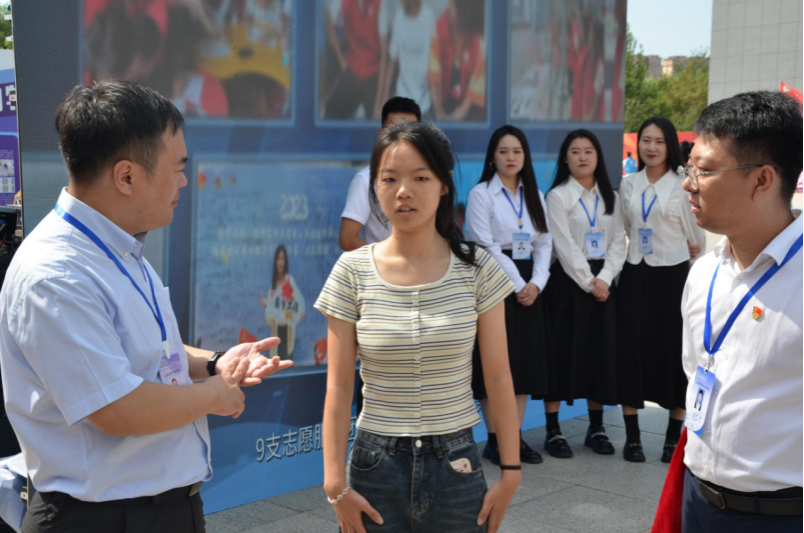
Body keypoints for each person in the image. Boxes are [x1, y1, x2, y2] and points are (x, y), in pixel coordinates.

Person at [0, 80, 293, 533]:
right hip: (101, 519)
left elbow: (148, 352)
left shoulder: (118, 248)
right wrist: (215, 395)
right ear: (127, 177)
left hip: (161, 511)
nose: (183, 182)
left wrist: (214, 363)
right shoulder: (56, 275)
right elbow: (116, 408)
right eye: (176, 168)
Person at [316, 122, 520, 533]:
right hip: (375, 463)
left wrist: (510, 472)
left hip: (456, 461)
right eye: (389, 179)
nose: (403, 191)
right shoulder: (351, 271)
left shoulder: (477, 268)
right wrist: (334, 483)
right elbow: (338, 385)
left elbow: (498, 376)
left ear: (444, 184)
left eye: (420, 178)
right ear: (375, 186)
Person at [679, 91, 803, 532]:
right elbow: (695, 370)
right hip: (697, 500)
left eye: (705, 170)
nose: (689, 183)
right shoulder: (703, 272)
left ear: (762, 180)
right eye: (689, 168)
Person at [617, 117, 706, 464]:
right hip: (635, 273)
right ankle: (632, 438)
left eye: (659, 141)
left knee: (673, 352)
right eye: (645, 140)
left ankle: (672, 439)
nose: (651, 147)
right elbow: (624, 227)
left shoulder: (682, 185)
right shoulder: (628, 184)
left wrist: (688, 253)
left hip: (673, 277)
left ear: (669, 145)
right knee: (631, 351)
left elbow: (696, 237)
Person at [465, 125, 553, 466]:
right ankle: (495, 440)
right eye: (503, 151)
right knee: (495, 363)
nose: (511, 157)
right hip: (494, 281)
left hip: (530, 283)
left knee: (523, 364)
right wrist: (518, 284)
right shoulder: (481, 194)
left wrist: (537, 283)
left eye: (517, 151)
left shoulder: (535, 194)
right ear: (492, 157)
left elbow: (544, 243)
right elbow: (484, 245)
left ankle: (513, 438)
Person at [542, 129, 626, 459]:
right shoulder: (558, 196)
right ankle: (553, 431)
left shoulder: (612, 197)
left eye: (588, 151)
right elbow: (563, 245)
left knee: (599, 355)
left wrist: (604, 278)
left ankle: (597, 428)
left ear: (597, 157)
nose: (582, 157)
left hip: (603, 282)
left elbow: (619, 242)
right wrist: (590, 282)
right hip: (568, 284)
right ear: (565, 158)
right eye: (575, 151)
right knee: (561, 354)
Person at [339, 97, 421, 252]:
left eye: (411, 132)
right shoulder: (366, 180)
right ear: (382, 135)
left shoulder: (429, 179)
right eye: (395, 131)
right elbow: (347, 239)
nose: (403, 139)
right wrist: (387, 261)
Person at [429, 0, 487, 122]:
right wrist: (439, 114)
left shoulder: (478, 40)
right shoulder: (439, 28)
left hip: (469, 110)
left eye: (452, 4)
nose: (448, 6)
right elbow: (434, 78)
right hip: (444, 103)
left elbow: (473, 93)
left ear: (463, 11)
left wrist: (455, 119)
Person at [324, 0, 383, 120]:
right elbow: (329, 20)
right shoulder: (344, 2)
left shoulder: (381, 4)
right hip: (353, 67)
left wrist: (381, 98)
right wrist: (341, 60)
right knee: (330, 113)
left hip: (375, 71)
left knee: (377, 120)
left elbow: (387, 52)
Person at [381, 0, 436, 118]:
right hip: (402, 102)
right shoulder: (399, 15)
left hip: (424, 104)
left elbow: (433, 65)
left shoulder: (428, 17)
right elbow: (393, 59)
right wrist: (385, 97)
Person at [260, 245, 305, 361]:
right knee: (276, 362)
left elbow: (299, 301)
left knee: (287, 361)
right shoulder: (273, 287)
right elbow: (271, 312)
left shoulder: (289, 281)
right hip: (276, 333)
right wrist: (266, 305)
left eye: (282, 259)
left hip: (287, 332)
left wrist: (300, 312)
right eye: (278, 259)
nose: (280, 262)